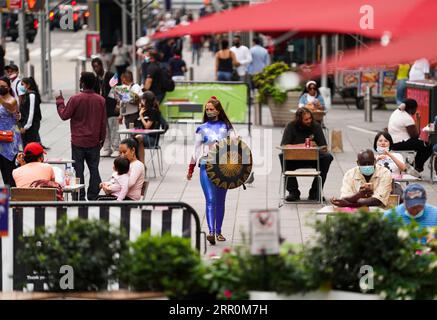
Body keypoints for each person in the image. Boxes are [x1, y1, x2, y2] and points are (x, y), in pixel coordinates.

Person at [187, 96, 237, 245]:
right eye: (207, 109)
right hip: (205, 165)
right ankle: (211, 232)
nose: (209, 112)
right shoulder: (201, 129)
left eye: (211, 109)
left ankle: (219, 231)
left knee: (220, 201)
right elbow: (195, 150)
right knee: (210, 199)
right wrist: (190, 168)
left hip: (224, 167)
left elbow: (235, 145)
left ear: (218, 110)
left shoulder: (227, 127)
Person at [55, 72, 107, 200]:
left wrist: (60, 101)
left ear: (82, 83)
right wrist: (102, 140)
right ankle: (93, 194)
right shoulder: (101, 100)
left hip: (78, 141)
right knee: (94, 169)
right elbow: (103, 122)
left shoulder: (75, 99)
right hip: (94, 141)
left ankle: (79, 195)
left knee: (78, 170)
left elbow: (64, 115)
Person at [279, 107, 333, 201]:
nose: (309, 121)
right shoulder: (290, 126)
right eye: (306, 119)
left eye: (310, 118)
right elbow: (284, 146)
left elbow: (324, 147)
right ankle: (293, 192)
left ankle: (315, 192)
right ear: (299, 120)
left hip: (312, 158)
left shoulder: (316, 126)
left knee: (327, 157)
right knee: (282, 156)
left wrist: (316, 146)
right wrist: (302, 146)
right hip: (294, 158)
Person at [388, 99, 432, 173]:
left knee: (421, 145)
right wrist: (418, 120)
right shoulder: (407, 118)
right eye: (415, 108)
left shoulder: (396, 112)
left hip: (392, 142)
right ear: (412, 109)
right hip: (400, 143)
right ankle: (417, 168)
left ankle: (414, 166)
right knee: (427, 146)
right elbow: (415, 136)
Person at [91, 57, 120, 158]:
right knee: (105, 130)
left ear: (101, 66)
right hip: (102, 108)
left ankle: (116, 148)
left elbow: (118, 90)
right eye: (94, 67)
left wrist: (118, 104)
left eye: (97, 66)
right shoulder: (95, 79)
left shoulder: (111, 75)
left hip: (112, 106)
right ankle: (107, 148)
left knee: (114, 128)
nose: (96, 69)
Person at [0, 76, 21, 186]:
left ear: (8, 87)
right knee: (3, 172)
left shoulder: (12, 100)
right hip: (0, 139)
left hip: (9, 140)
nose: (1, 88)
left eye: (3, 86)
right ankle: (5, 200)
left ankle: (13, 200)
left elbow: (9, 107)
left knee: (10, 171)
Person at [135, 91, 162, 164]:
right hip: (144, 136)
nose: (141, 101)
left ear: (147, 101)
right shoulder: (145, 110)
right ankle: (139, 165)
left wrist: (141, 115)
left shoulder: (154, 112)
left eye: (143, 100)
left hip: (152, 139)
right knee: (131, 141)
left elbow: (147, 126)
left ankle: (140, 164)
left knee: (136, 139)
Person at [18, 77, 42, 147]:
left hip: (31, 126)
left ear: (28, 85)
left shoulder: (32, 95)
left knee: (30, 146)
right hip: (25, 125)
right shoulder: (25, 95)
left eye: (22, 84)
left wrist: (25, 127)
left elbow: (31, 112)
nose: (21, 86)